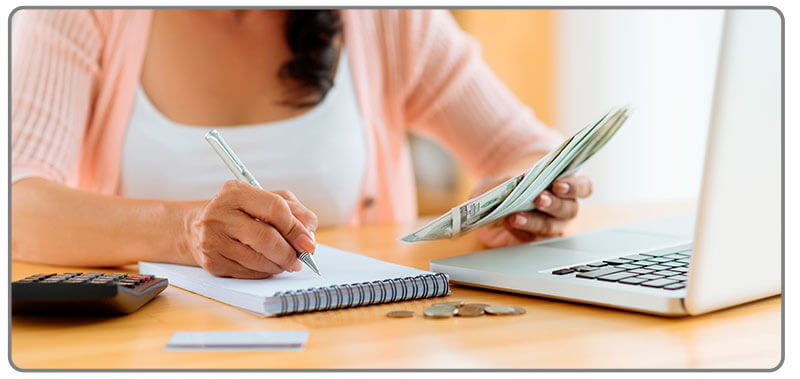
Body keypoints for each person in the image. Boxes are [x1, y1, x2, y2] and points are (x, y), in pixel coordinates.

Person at [11, 9, 593, 278]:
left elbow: (524, 149)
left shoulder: (386, 19)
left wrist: (522, 200)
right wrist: (187, 231)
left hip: (350, 350)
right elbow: (18, 205)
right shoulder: (77, 13)